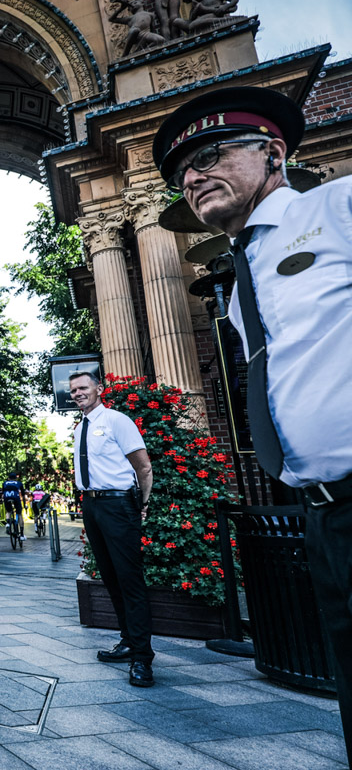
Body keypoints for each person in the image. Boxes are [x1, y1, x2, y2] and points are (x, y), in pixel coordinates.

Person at [153, 85, 352, 760]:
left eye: (211, 153)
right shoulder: (240, 280)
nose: (193, 175)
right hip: (322, 516)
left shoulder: (338, 207)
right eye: (182, 170)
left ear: (274, 152)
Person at [69, 370, 155, 688]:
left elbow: (143, 466)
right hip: (92, 507)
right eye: (73, 389)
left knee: (130, 580)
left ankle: (143, 659)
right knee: (111, 577)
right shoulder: (80, 429)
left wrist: (141, 504)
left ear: (98, 390)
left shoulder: (117, 420)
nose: (77, 393)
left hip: (119, 505)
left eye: (83, 388)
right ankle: (128, 641)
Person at [2, 471, 26, 543]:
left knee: (8, 511)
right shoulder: (19, 483)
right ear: (16, 478)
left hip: (7, 497)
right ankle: (21, 534)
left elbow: (3, 492)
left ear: (8, 478)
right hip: (15, 497)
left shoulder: (4, 483)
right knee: (19, 514)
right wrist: (24, 504)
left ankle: (8, 523)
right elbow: (23, 495)